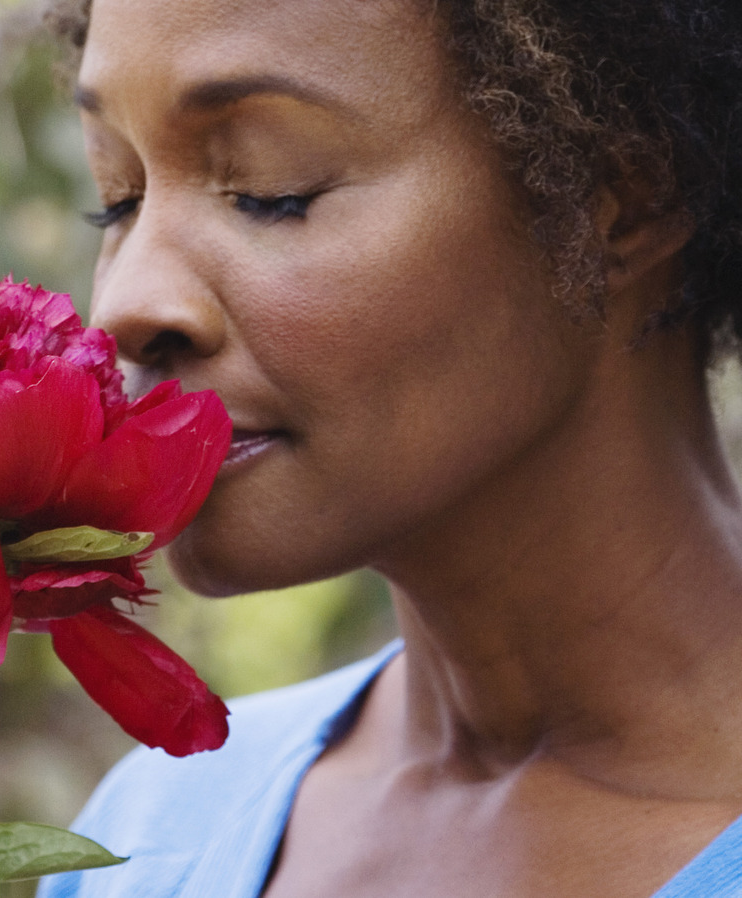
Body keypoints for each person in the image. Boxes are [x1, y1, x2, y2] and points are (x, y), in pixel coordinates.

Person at [38, 0, 742, 896]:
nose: (125, 306)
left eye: (270, 190)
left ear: (622, 192)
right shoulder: (147, 839)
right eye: (119, 200)